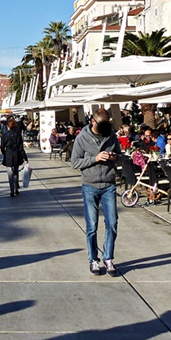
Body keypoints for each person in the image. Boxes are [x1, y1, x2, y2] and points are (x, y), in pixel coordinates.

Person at [70, 108, 122, 277]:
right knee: (92, 225)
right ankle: (93, 259)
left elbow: (121, 156)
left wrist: (115, 158)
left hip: (109, 184)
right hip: (90, 185)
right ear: (93, 121)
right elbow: (74, 162)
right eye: (103, 125)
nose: (106, 128)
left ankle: (108, 257)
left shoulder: (111, 135)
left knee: (112, 222)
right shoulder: (82, 138)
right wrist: (95, 158)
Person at [1, 118, 28, 197]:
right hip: (16, 154)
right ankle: (16, 188)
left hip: (8, 154)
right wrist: (25, 158)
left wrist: (4, 153)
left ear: (8, 126)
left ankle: (11, 190)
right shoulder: (18, 135)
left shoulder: (5, 135)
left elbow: (2, 147)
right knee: (16, 172)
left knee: (10, 173)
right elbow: (21, 148)